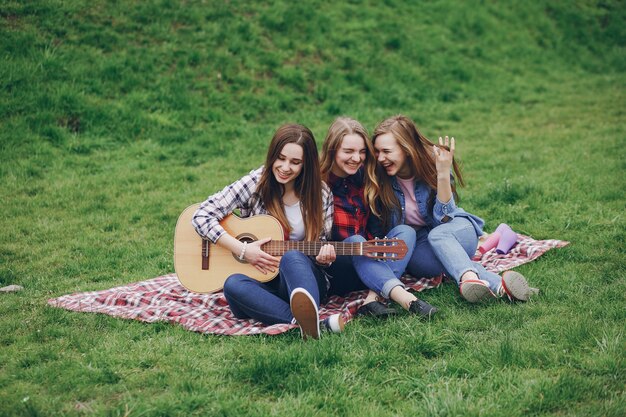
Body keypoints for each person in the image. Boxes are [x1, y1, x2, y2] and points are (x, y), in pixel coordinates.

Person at [192, 124, 344, 340]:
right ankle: (310, 324)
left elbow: (320, 246)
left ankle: (301, 316)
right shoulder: (257, 182)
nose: (284, 167)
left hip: (300, 281)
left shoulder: (321, 194)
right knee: (233, 283)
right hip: (262, 282)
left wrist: (323, 259)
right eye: (280, 158)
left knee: (292, 257)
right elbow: (201, 215)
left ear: (306, 164)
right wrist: (242, 249)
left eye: (295, 162)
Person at [371, 115, 536, 303]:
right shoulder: (379, 178)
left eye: (386, 151)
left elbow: (444, 218)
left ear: (406, 149)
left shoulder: (435, 163)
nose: (380, 158)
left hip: (455, 229)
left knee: (438, 235)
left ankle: (468, 278)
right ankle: (499, 286)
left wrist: (442, 174)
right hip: (422, 244)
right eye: (377, 152)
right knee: (423, 262)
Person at [320, 117, 438, 318]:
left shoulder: (366, 176)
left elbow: (404, 162)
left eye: (362, 152)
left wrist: (439, 169)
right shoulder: (318, 184)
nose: (356, 158)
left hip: (372, 262)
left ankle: (371, 300)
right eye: (348, 152)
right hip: (339, 267)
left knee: (405, 231)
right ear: (332, 150)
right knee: (356, 242)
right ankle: (407, 299)